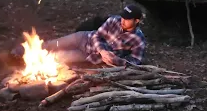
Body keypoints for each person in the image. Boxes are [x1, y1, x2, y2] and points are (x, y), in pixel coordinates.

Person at [11, 4, 146, 66]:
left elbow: (135, 61)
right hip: (82, 38)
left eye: (127, 19)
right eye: (122, 17)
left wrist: (116, 60)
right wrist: (103, 50)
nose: (122, 20)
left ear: (136, 21)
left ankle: (25, 63)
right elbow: (97, 36)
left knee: (56, 58)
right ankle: (19, 52)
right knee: (51, 45)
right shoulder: (113, 20)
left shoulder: (138, 40)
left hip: (89, 56)